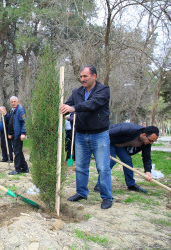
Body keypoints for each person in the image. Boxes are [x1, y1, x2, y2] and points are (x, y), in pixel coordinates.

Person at [60, 65, 113, 209]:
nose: (82, 79)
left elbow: (93, 104)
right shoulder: (76, 92)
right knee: (81, 167)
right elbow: (69, 104)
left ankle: (107, 197)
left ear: (94, 76)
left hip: (100, 135)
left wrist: (74, 108)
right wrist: (63, 107)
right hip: (81, 135)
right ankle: (81, 193)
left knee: (103, 167)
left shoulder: (103, 90)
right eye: (81, 77)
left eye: (85, 76)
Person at [94, 124, 158, 193]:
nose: (151, 143)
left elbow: (146, 157)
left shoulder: (147, 143)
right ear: (144, 134)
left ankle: (131, 185)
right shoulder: (129, 129)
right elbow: (108, 132)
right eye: (150, 140)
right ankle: (99, 185)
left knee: (127, 160)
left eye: (153, 141)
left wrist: (148, 172)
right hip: (108, 141)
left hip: (119, 145)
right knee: (111, 161)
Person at [8, 96, 29, 175]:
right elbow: (11, 122)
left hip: (19, 135)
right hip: (14, 135)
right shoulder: (13, 111)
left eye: (14, 101)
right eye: (12, 102)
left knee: (17, 152)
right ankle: (25, 168)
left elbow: (24, 122)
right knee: (18, 152)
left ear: (17, 102)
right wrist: (10, 133)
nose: (13, 103)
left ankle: (17, 169)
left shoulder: (20, 110)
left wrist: (23, 133)